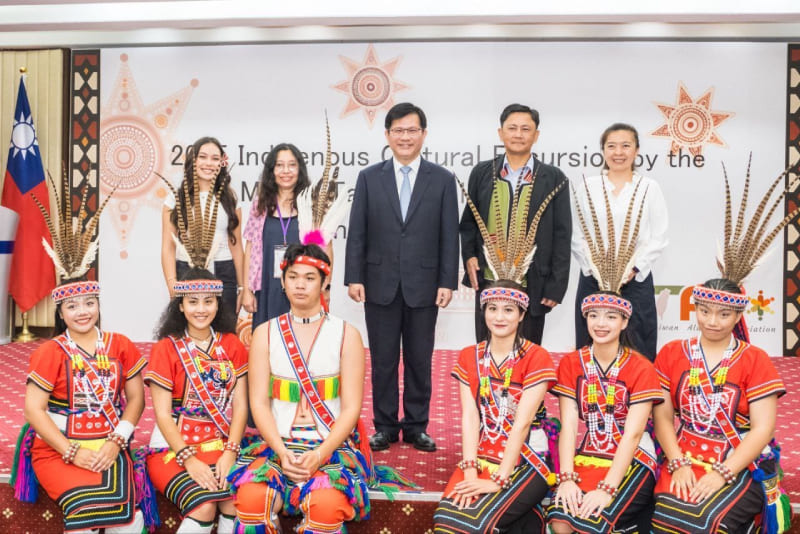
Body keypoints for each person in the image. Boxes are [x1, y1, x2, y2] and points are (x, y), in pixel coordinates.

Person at [230, 244, 413, 532]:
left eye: (309, 277)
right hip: (279, 446)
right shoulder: (264, 334)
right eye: (293, 276)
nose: (300, 285)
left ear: (325, 281)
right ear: (283, 280)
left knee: (326, 506)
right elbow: (259, 404)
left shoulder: (346, 335)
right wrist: (281, 451)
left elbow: (352, 408)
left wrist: (319, 455)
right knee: (252, 501)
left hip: (331, 448)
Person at [652, 162, 794, 533]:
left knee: (706, 521)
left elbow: (763, 429)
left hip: (737, 459)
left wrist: (721, 473)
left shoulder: (754, 359)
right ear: (694, 309)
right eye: (705, 310)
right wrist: (678, 461)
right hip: (682, 455)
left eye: (723, 313)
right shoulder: (672, 352)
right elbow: (663, 417)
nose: (712, 321)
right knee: (665, 517)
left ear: (738, 317)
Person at [12, 175, 146, 533]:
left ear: (99, 305)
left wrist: (118, 441)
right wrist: (72, 452)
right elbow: (33, 411)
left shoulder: (120, 344)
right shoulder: (49, 352)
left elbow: (135, 399)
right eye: (72, 306)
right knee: (85, 514)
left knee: (132, 522)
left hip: (109, 444)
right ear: (61, 312)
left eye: (89, 303)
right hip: (58, 449)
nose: (82, 311)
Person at [345, 102, 459, 452]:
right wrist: (354, 277)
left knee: (419, 358)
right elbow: (358, 231)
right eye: (398, 131)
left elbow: (447, 234)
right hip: (379, 284)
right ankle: (384, 426)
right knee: (382, 359)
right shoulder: (369, 177)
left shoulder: (441, 179)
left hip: (424, 285)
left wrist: (447, 281)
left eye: (412, 130)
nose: (405, 137)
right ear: (387, 135)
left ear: (424, 134)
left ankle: (415, 426)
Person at [547, 184, 662, 534]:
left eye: (611, 317)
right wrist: (566, 478)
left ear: (626, 321)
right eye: (594, 315)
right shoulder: (571, 363)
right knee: (559, 522)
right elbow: (569, 426)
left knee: (590, 521)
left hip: (632, 462)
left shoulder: (641, 367)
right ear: (585, 318)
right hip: (585, 455)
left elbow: (632, 435)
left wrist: (607, 488)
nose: (601, 323)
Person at [433, 280, 557, 533]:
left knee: (474, 523)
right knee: (446, 521)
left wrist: (499, 479)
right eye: (492, 309)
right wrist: (469, 470)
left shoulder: (536, 356)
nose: (499, 317)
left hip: (527, 457)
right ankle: (529, 521)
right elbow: (470, 417)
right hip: (482, 454)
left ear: (522, 315)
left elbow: (522, 423)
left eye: (509, 310)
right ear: (483, 312)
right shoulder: (470, 355)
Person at [143, 269, 248, 534]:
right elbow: (163, 416)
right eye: (192, 301)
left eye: (208, 301)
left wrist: (231, 452)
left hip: (221, 444)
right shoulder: (166, 348)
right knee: (203, 506)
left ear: (217, 303)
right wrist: (189, 459)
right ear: (180, 305)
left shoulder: (233, 344)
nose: (201, 309)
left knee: (237, 502)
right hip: (174, 449)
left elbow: (241, 406)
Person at [460, 103, 571, 345]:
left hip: (533, 282)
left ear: (536, 135)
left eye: (525, 129)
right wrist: (469, 256)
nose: (518, 134)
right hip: (490, 279)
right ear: (501, 133)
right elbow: (468, 223)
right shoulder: (482, 173)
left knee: (527, 352)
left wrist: (556, 286)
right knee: (487, 349)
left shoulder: (554, 178)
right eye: (512, 128)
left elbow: (562, 235)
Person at [572, 123, 668, 361]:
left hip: (635, 280)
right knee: (590, 340)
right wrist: (593, 268)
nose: (618, 152)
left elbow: (659, 236)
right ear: (603, 151)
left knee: (639, 343)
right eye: (611, 146)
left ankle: (640, 395)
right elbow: (577, 234)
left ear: (636, 151)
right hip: (593, 278)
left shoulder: (649, 187)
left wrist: (634, 268)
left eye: (626, 146)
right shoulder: (588, 186)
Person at [161, 136, 244, 314]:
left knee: (225, 332)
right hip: (186, 271)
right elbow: (168, 247)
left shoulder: (230, 199)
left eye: (215, 159)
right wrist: (172, 284)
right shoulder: (175, 198)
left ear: (221, 163)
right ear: (194, 160)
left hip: (225, 272)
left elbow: (236, 247)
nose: (209, 163)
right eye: (203, 157)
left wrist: (243, 288)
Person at [242, 143, 309, 327]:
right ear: (272, 170)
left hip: (302, 288)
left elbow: (323, 247)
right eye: (279, 165)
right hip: (267, 288)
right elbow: (250, 247)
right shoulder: (260, 205)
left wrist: (324, 286)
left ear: (299, 169)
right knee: (267, 344)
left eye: (292, 165)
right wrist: (246, 289)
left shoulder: (310, 205)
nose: (285, 171)